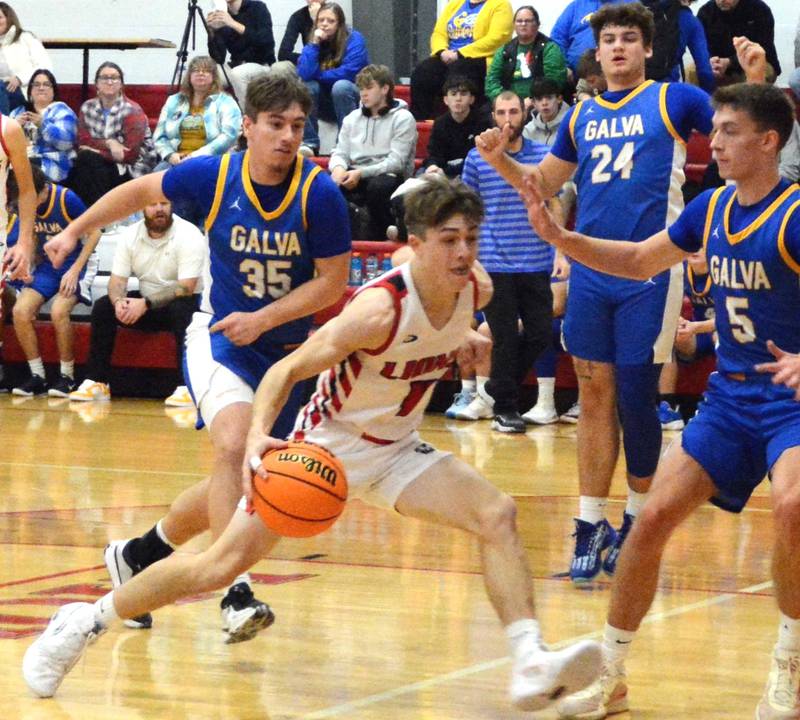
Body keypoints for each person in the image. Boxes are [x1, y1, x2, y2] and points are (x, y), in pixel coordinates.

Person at [23, 175, 603, 712]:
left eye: (470, 239)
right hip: (326, 450)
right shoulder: (376, 311)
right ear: (422, 242)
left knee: (497, 514)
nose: (463, 252)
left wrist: (469, 338)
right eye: (449, 240)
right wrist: (257, 440)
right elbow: (285, 374)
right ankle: (84, 620)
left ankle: (529, 661)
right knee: (219, 566)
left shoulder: (473, 285)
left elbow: (435, 298)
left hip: (399, 451)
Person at [519, 79, 800, 720]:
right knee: (647, 521)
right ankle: (611, 676)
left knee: (793, 506)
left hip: (791, 402)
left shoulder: (796, 214)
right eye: (716, 129)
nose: (716, 142)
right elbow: (642, 258)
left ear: (769, 141)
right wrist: (565, 241)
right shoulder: (708, 209)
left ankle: (790, 664)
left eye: (730, 132)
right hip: (731, 401)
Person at [41, 72, 351, 639]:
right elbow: (137, 192)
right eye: (276, 125)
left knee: (249, 475)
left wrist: (267, 318)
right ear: (249, 127)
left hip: (285, 353)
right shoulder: (213, 175)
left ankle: (140, 552)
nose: (287, 137)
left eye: (298, 127)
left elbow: (332, 283)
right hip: (221, 338)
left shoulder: (320, 194)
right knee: (234, 448)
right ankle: (235, 592)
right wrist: (74, 233)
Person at [475, 4, 766, 585]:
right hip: (590, 267)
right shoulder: (580, 115)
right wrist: (497, 160)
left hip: (651, 268)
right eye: (608, 40)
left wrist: (754, 81)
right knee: (592, 388)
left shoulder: (673, 99)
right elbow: (545, 185)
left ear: (647, 50)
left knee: (637, 393)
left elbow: (739, 129)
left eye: (628, 39)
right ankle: (589, 522)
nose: (616, 48)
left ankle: (635, 520)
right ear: (598, 51)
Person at [461, 91, 556, 433]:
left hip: (536, 259)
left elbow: (555, 203)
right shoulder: (476, 159)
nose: (507, 118)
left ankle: (498, 388)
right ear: (492, 117)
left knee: (541, 334)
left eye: (513, 111)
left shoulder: (544, 155)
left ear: (525, 112)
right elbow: (467, 212)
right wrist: (470, 258)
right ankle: (506, 408)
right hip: (494, 262)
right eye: (500, 112)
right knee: (501, 336)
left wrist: (560, 250)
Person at [68, 200, 206, 407]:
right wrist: (118, 302)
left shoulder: (189, 234)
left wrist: (146, 303)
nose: (159, 209)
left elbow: (186, 287)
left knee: (182, 309)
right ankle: (97, 381)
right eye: (152, 204)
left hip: (183, 303)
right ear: (142, 209)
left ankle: (187, 385)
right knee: (104, 307)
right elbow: (117, 281)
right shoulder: (130, 235)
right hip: (146, 301)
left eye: (165, 203)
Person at [6, 165, 99, 397]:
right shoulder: (25, 205)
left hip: (78, 262)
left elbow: (95, 232)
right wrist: (28, 266)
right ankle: (38, 376)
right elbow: (30, 240)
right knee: (20, 311)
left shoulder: (67, 199)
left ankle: (67, 376)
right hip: (50, 264)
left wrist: (76, 270)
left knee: (59, 311)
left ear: (42, 191)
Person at [328, 64, 416, 240]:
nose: (363, 93)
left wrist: (361, 173)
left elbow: (396, 163)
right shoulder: (351, 119)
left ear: (385, 89)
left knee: (379, 187)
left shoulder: (403, 118)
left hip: (387, 175)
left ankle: (382, 234)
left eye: (369, 88)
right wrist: (338, 169)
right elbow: (340, 152)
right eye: (361, 88)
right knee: (326, 187)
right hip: (354, 173)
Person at [153, 55, 242, 225]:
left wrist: (195, 157)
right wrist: (170, 155)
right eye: (196, 70)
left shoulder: (225, 102)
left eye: (206, 71)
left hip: (211, 161)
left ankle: (195, 227)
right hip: (175, 159)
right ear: (189, 76)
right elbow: (159, 136)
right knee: (156, 178)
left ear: (214, 77)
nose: (200, 74)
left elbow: (229, 136)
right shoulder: (174, 101)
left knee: (191, 180)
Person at [67, 62, 157, 208]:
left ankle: (94, 217)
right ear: (96, 84)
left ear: (121, 84)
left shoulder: (132, 111)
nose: (110, 82)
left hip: (132, 169)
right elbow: (82, 142)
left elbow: (129, 156)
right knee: (82, 164)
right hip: (99, 164)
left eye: (115, 78)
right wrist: (109, 143)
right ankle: (90, 217)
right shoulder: (87, 107)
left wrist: (96, 150)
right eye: (104, 78)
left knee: (87, 161)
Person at [410, 0, 513, 121]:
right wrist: (442, 51)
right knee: (424, 70)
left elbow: (498, 38)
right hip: (449, 55)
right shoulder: (455, 3)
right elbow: (439, 33)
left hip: (479, 58)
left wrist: (460, 53)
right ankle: (421, 119)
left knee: (459, 70)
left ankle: (459, 121)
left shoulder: (501, 5)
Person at [296, 2, 368, 157]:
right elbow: (304, 73)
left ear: (340, 23)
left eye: (330, 21)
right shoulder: (314, 39)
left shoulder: (354, 39)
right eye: (321, 20)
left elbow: (349, 73)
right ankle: (310, 142)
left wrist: (319, 75)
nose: (324, 25)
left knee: (340, 86)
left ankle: (344, 143)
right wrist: (315, 44)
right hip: (324, 100)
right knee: (306, 86)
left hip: (350, 96)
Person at [657, 248, 716, 429]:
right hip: (695, 334)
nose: (695, 249)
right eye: (693, 244)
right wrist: (679, 322)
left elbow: (731, 318)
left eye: (701, 245)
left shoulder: (723, 270)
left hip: (722, 331)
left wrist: (695, 327)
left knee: (720, 336)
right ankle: (668, 406)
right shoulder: (681, 270)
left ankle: (715, 404)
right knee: (670, 332)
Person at [484, 5, 567, 110]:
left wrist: (533, 99)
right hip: (508, 104)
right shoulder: (504, 50)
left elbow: (555, 80)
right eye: (519, 21)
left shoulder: (550, 48)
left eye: (528, 21)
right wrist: (504, 100)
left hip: (540, 103)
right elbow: (491, 80)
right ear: (514, 25)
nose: (523, 24)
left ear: (537, 24)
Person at [10, 69, 77, 183]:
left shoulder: (62, 111)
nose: (41, 88)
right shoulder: (17, 113)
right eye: (36, 84)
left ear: (53, 91)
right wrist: (13, 127)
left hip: (51, 164)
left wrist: (43, 125)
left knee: (24, 168)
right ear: (30, 91)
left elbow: (66, 143)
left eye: (46, 84)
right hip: (19, 162)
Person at [207, 0, 275, 107]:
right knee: (207, 74)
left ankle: (249, 117)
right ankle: (224, 114)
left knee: (238, 73)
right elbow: (219, 58)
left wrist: (233, 24)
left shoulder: (257, 7)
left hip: (261, 65)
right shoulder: (224, 14)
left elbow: (266, 42)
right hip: (236, 65)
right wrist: (212, 32)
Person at [422, 76, 491, 178]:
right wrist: (432, 166)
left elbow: (479, 159)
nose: (458, 99)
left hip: (472, 173)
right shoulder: (440, 123)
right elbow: (434, 153)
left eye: (463, 94)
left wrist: (446, 172)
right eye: (453, 94)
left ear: (471, 99)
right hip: (442, 171)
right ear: (446, 100)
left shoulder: (482, 122)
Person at [697, 0, 780, 84]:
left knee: (762, 72)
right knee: (691, 71)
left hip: (751, 61)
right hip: (717, 64)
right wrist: (711, 61)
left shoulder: (759, 9)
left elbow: (764, 47)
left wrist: (730, 62)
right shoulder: (705, 12)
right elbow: (700, 47)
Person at [550, 0, 628, 75]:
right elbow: (557, 39)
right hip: (574, 76)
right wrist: (563, 67)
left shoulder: (630, 4)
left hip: (618, 73)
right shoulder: (576, 6)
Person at [0, 2, 51, 115]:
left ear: (9, 18)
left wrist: (19, 78)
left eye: (0, 17)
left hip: (23, 91)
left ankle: (3, 129)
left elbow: (45, 67)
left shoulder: (25, 38)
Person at [670, 0, 715, 93]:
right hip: (667, 88)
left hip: (635, 83)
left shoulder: (636, 8)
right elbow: (705, 70)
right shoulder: (691, 21)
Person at [278, 0, 319, 65]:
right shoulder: (298, 16)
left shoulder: (335, 15)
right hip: (307, 63)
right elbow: (283, 54)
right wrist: (307, 59)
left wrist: (316, 20)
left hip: (330, 65)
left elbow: (334, 54)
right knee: (280, 67)